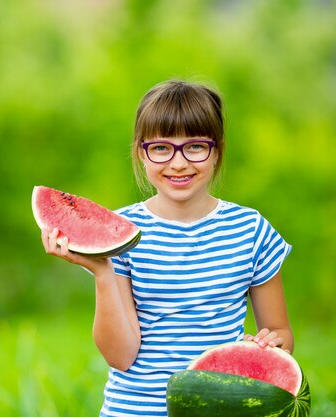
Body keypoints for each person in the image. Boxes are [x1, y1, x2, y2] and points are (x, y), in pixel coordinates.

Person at [40, 80, 294, 417]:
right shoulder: (124, 233)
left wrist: (269, 347)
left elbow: (281, 332)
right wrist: (102, 271)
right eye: (161, 148)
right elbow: (121, 356)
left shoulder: (251, 230)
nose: (177, 163)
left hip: (220, 411)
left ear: (217, 150)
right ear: (140, 152)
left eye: (195, 147)